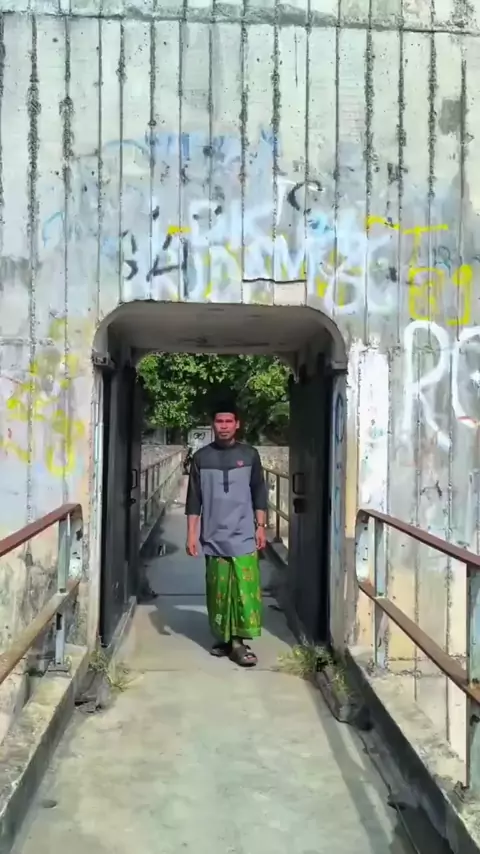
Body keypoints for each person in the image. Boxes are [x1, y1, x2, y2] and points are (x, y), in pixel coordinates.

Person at [185, 404, 268, 667]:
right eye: (219, 421)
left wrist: (261, 526)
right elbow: (194, 499)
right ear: (213, 424)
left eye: (228, 421)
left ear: (237, 424)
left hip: (243, 534)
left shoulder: (250, 455)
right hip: (213, 536)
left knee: (244, 591)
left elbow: (259, 492)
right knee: (219, 592)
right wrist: (191, 534)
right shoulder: (201, 458)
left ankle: (238, 642)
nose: (223, 426)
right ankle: (225, 638)